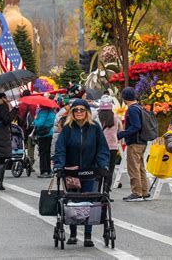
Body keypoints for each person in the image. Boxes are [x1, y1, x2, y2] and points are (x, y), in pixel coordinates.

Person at [54, 99, 110, 247]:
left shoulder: (95, 128)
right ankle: (73, 234)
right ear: (72, 113)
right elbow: (60, 149)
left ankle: (87, 235)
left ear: (87, 112)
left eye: (82, 110)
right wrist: (59, 165)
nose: (79, 112)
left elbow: (102, 148)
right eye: (76, 110)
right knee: (72, 202)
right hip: (71, 171)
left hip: (90, 171)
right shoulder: (67, 129)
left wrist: (103, 164)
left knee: (88, 203)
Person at [117, 87, 150, 202]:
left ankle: (136, 193)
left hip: (135, 142)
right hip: (142, 141)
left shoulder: (132, 109)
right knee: (140, 167)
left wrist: (122, 134)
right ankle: (144, 191)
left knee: (133, 168)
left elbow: (136, 126)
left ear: (125, 99)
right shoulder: (140, 107)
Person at [98, 96, 123, 192]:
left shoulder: (97, 117)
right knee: (110, 170)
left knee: (99, 169)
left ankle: (97, 191)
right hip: (113, 147)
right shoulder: (116, 117)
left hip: (100, 147)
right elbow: (120, 131)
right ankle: (106, 192)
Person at [18, 90, 37, 172]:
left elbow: (18, 116)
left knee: (22, 144)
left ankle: (21, 161)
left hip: (22, 127)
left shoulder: (20, 104)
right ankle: (30, 164)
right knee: (31, 146)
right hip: (31, 127)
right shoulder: (34, 104)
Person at [34, 106, 56, 178]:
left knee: (42, 153)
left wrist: (35, 119)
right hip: (49, 132)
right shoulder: (52, 112)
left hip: (43, 134)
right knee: (47, 153)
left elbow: (39, 123)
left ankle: (43, 171)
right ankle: (49, 170)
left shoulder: (43, 112)